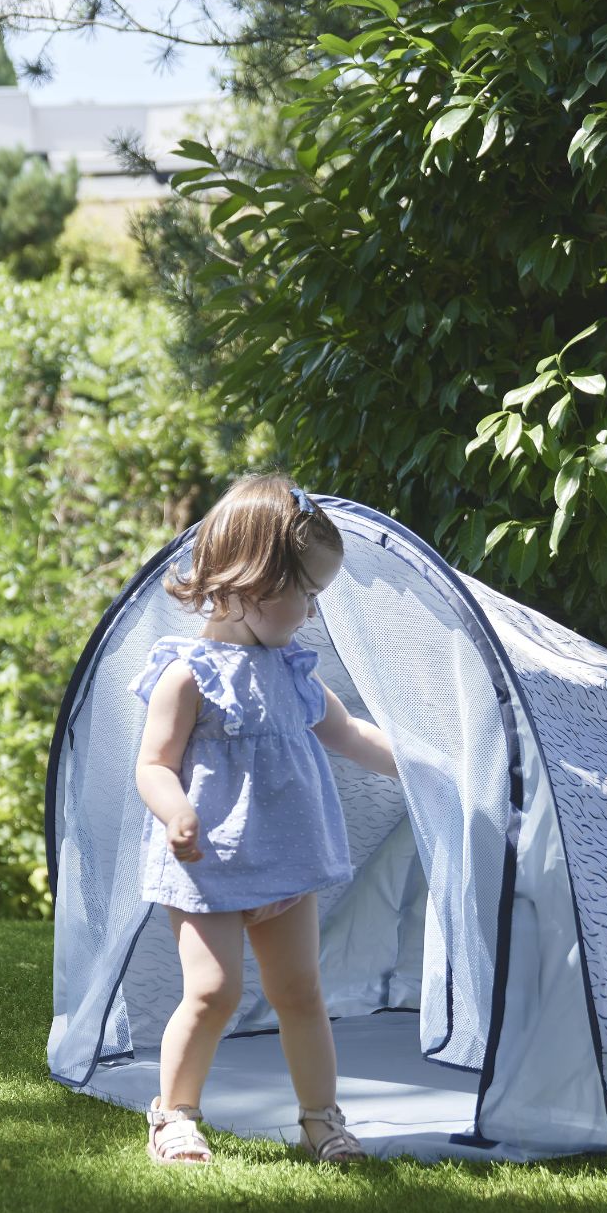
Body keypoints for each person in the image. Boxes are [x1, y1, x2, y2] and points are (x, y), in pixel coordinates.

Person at [129, 473, 398, 1167]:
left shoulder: (294, 673)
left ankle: (320, 1119)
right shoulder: (186, 673)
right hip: (208, 863)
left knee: (301, 993)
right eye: (306, 595)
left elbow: (355, 739)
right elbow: (152, 765)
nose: (311, 614)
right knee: (214, 991)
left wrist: (427, 769)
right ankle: (175, 1116)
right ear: (252, 584)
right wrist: (176, 810)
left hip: (283, 856)